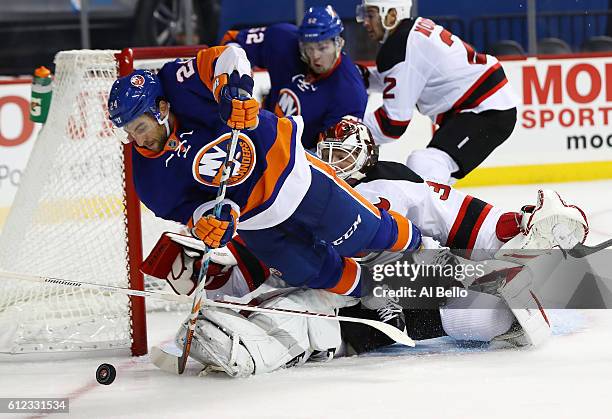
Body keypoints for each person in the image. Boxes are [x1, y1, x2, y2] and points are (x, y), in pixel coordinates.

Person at [141, 120, 589, 377]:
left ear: (366, 157)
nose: (335, 162)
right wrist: (212, 274)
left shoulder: (388, 182)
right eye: (328, 152)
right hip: (346, 299)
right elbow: (260, 261)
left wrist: (512, 226)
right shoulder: (299, 193)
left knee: (472, 307)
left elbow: (451, 214)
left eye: (345, 154)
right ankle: (249, 345)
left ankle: (516, 273)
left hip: (405, 275)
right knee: (313, 313)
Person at [107, 45, 421, 300]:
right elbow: (193, 210)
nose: (138, 140)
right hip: (256, 222)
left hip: (290, 172)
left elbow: (230, 56)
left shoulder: (178, 81)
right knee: (317, 273)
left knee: (369, 234)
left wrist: (233, 92)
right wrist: (213, 219)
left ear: (160, 110)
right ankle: (387, 299)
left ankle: (432, 258)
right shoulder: (147, 181)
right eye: (129, 132)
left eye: (140, 127)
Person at [355, 0, 518, 183]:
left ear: (392, 15)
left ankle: (432, 211)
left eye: (371, 15)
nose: (365, 22)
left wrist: (345, 127)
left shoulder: (400, 47)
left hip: (485, 110)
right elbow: (406, 75)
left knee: (426, 164)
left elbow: (391, 125)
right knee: (433, 172)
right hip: (480, 106)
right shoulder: (410, 34)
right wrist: (358, 77)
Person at [220, 5, 368, 149]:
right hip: (255, 132)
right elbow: (232, 44)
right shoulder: (283, 39)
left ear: (338, 43)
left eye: (322, 47)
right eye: (309, 47)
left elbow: (332, 156)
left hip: (298, 159)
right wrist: (237, 82)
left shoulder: (350, 94)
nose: (315, 56)